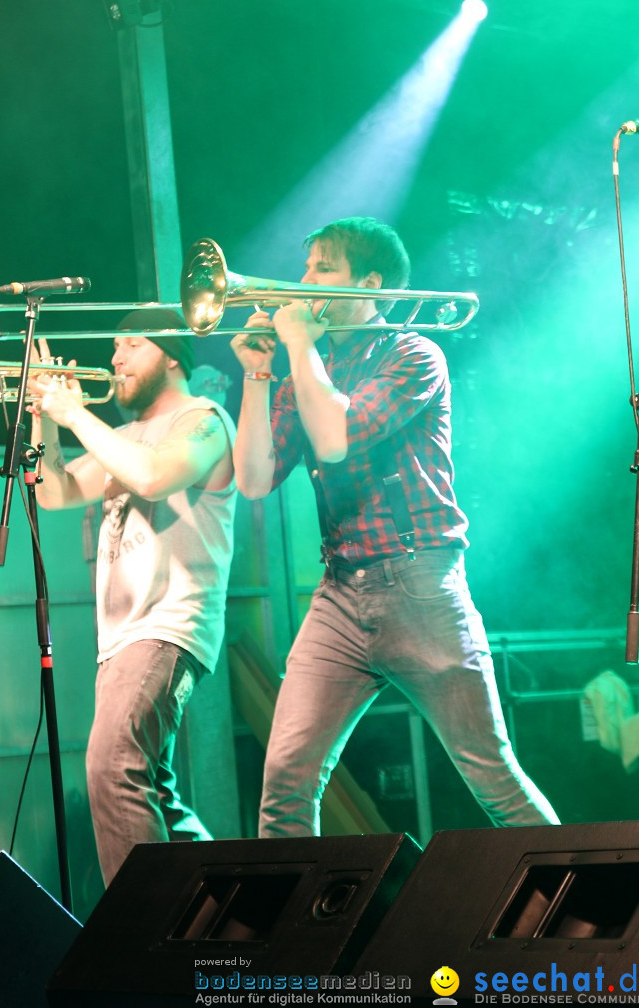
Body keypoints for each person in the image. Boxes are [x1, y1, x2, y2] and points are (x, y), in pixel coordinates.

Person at [231, 216, 559, 837]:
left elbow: (336, 439)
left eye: (321, 269)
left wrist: (299, 348)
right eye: (306, 268)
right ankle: (300, 934)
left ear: (371, 282)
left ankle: (588, 912)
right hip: (339, 594)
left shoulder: (414, 352)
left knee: (492, 776)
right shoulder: (310, 370)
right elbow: (252, 479)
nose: (301, 283)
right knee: (285, 782)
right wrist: (256, 372)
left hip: (420, 585)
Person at [29, 307, 237, 885]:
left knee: (111, 767)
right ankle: (235, 907)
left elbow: (151, 478)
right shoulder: (122, 436)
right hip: (121, 638)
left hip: (169, 625)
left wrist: (73, 413)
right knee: (152, 791)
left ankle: (141, 931)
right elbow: (57, 493)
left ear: (171, 354)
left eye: (130, 344)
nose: (115, 357)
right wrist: (46, 420)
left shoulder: (206, 419)